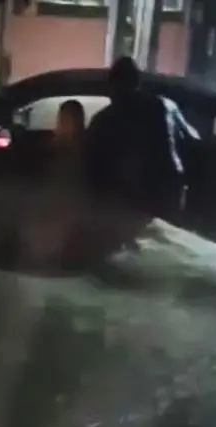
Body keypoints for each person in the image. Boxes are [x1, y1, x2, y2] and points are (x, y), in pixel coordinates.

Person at [82, 56, 189, 255]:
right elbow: (178, 154)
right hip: (163, 200)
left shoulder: (106, 121)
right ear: (137, 83)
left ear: (112, 86)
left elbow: (90, 169)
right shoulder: (159, 108)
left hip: (129, 207)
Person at [20, 99, 88, 270]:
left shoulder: (72, 152)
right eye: (61, 119)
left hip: (58, 215)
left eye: (64, 120)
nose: (60, 124)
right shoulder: (62, 147)